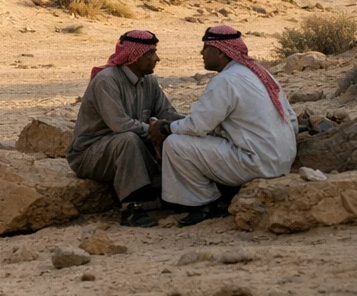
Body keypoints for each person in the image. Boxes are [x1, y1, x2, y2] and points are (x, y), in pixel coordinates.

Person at [149, 25, 298, 226]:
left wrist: (165, 127)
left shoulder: (226, 80)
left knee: (176, 144)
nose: (201, 53)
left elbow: (198, 126)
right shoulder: (260, 73)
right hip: (283, 159)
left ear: (220, 52)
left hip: (257, 162)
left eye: (206, 48)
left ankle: (203, 204)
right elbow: (292, 118)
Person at [67, 30, 183, 227]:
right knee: (128, 139)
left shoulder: (150, 82)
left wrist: (193, 124)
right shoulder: (107, 80)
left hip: (132, 147)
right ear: (135, 56)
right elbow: (119, 124)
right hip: (90, 154)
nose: (158, 58)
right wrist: (155, 129)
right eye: (151, 53)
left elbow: (167, 113)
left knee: (174, 136)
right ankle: (131, 208)